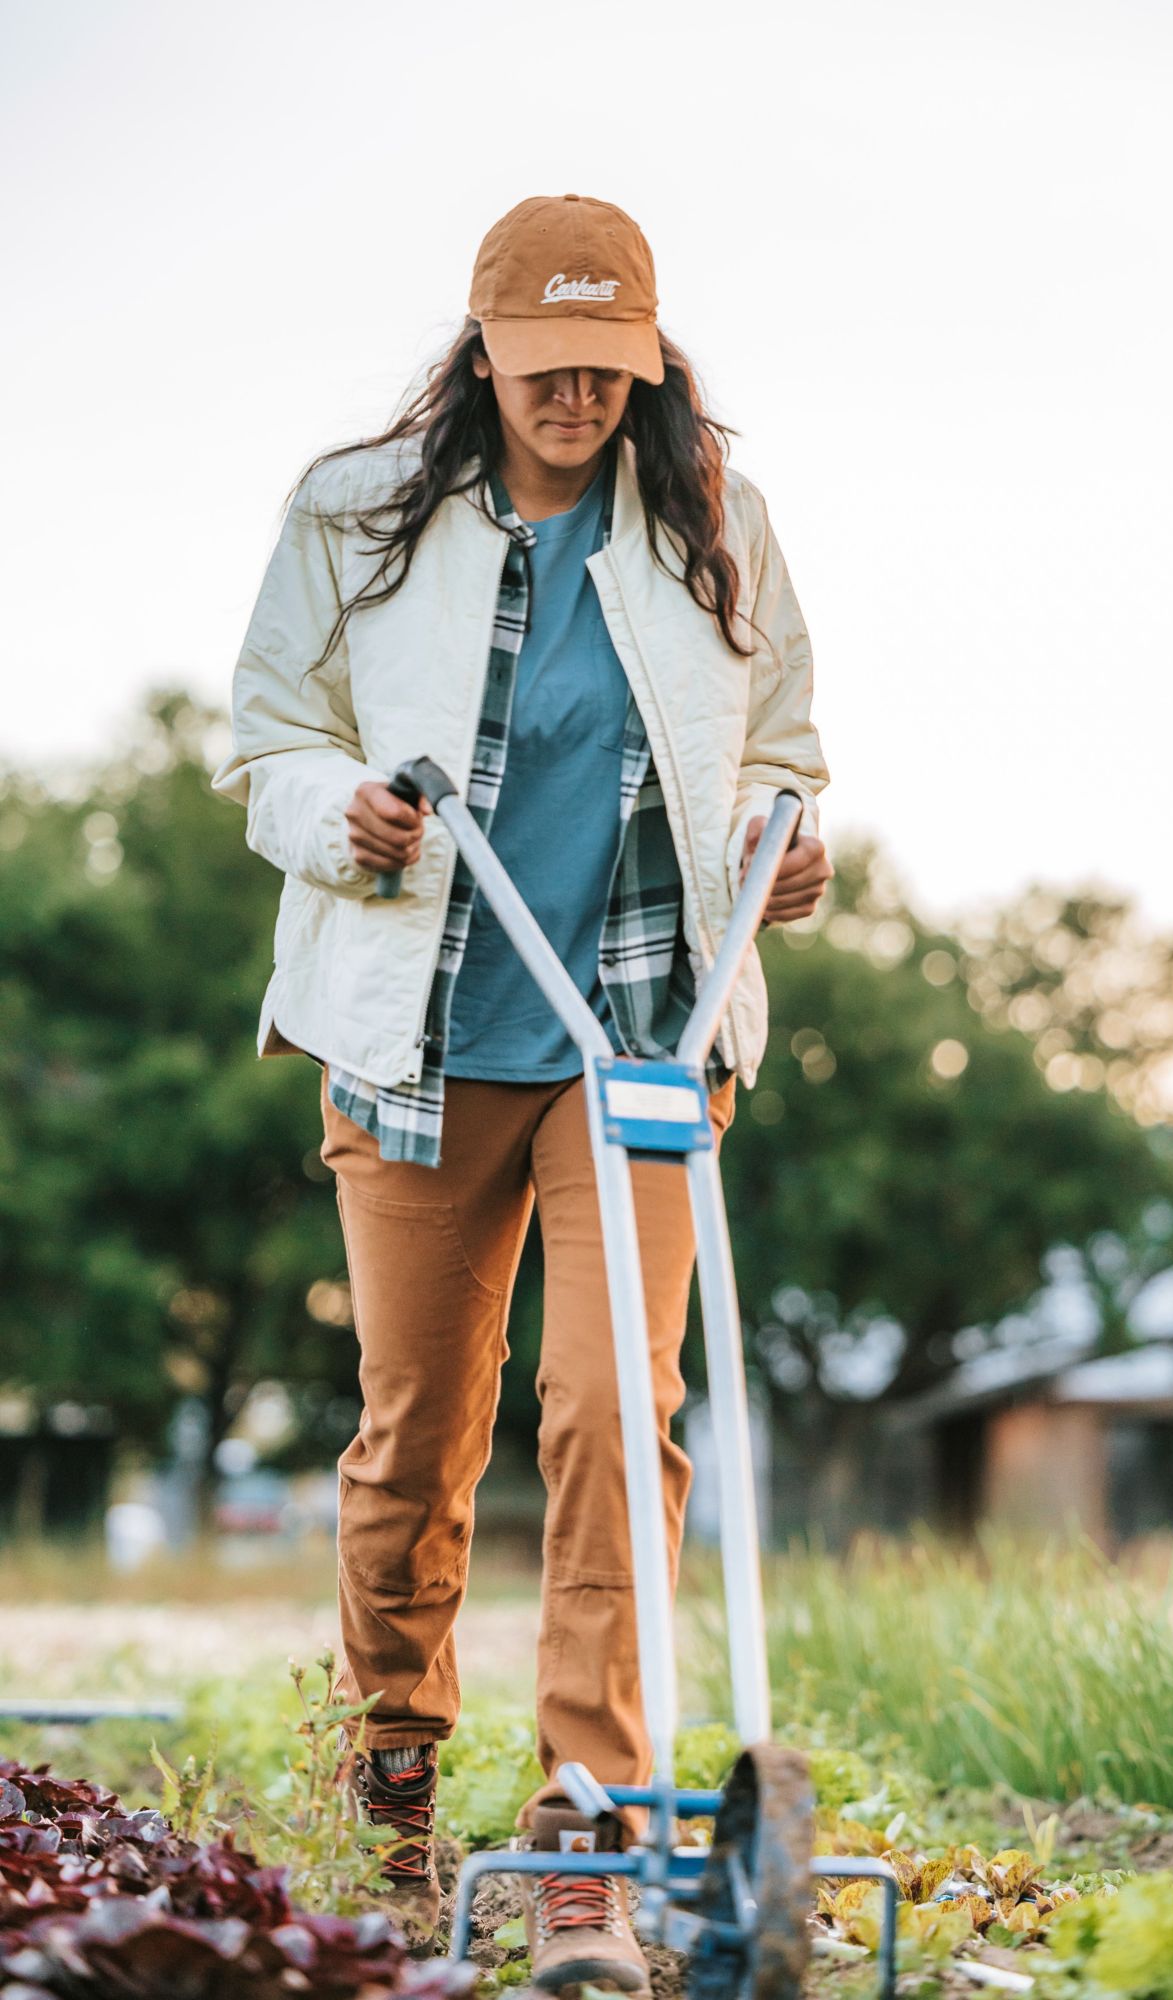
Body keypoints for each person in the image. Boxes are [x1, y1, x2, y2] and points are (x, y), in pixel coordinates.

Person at [211, 192, 831, 1983]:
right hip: (417, 1018)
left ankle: (585, 1820)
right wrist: (346, 813)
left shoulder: (714, 514)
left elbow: (781, 745)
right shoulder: (351, 511)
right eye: (546, 361)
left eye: (606, 363)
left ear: (646, 357)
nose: (576, 393)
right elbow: (267, 734)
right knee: (416, 1430)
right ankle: (392, 1785)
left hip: (635, 1020)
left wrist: (786, 843)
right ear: (482, 349)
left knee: (607, 1417)